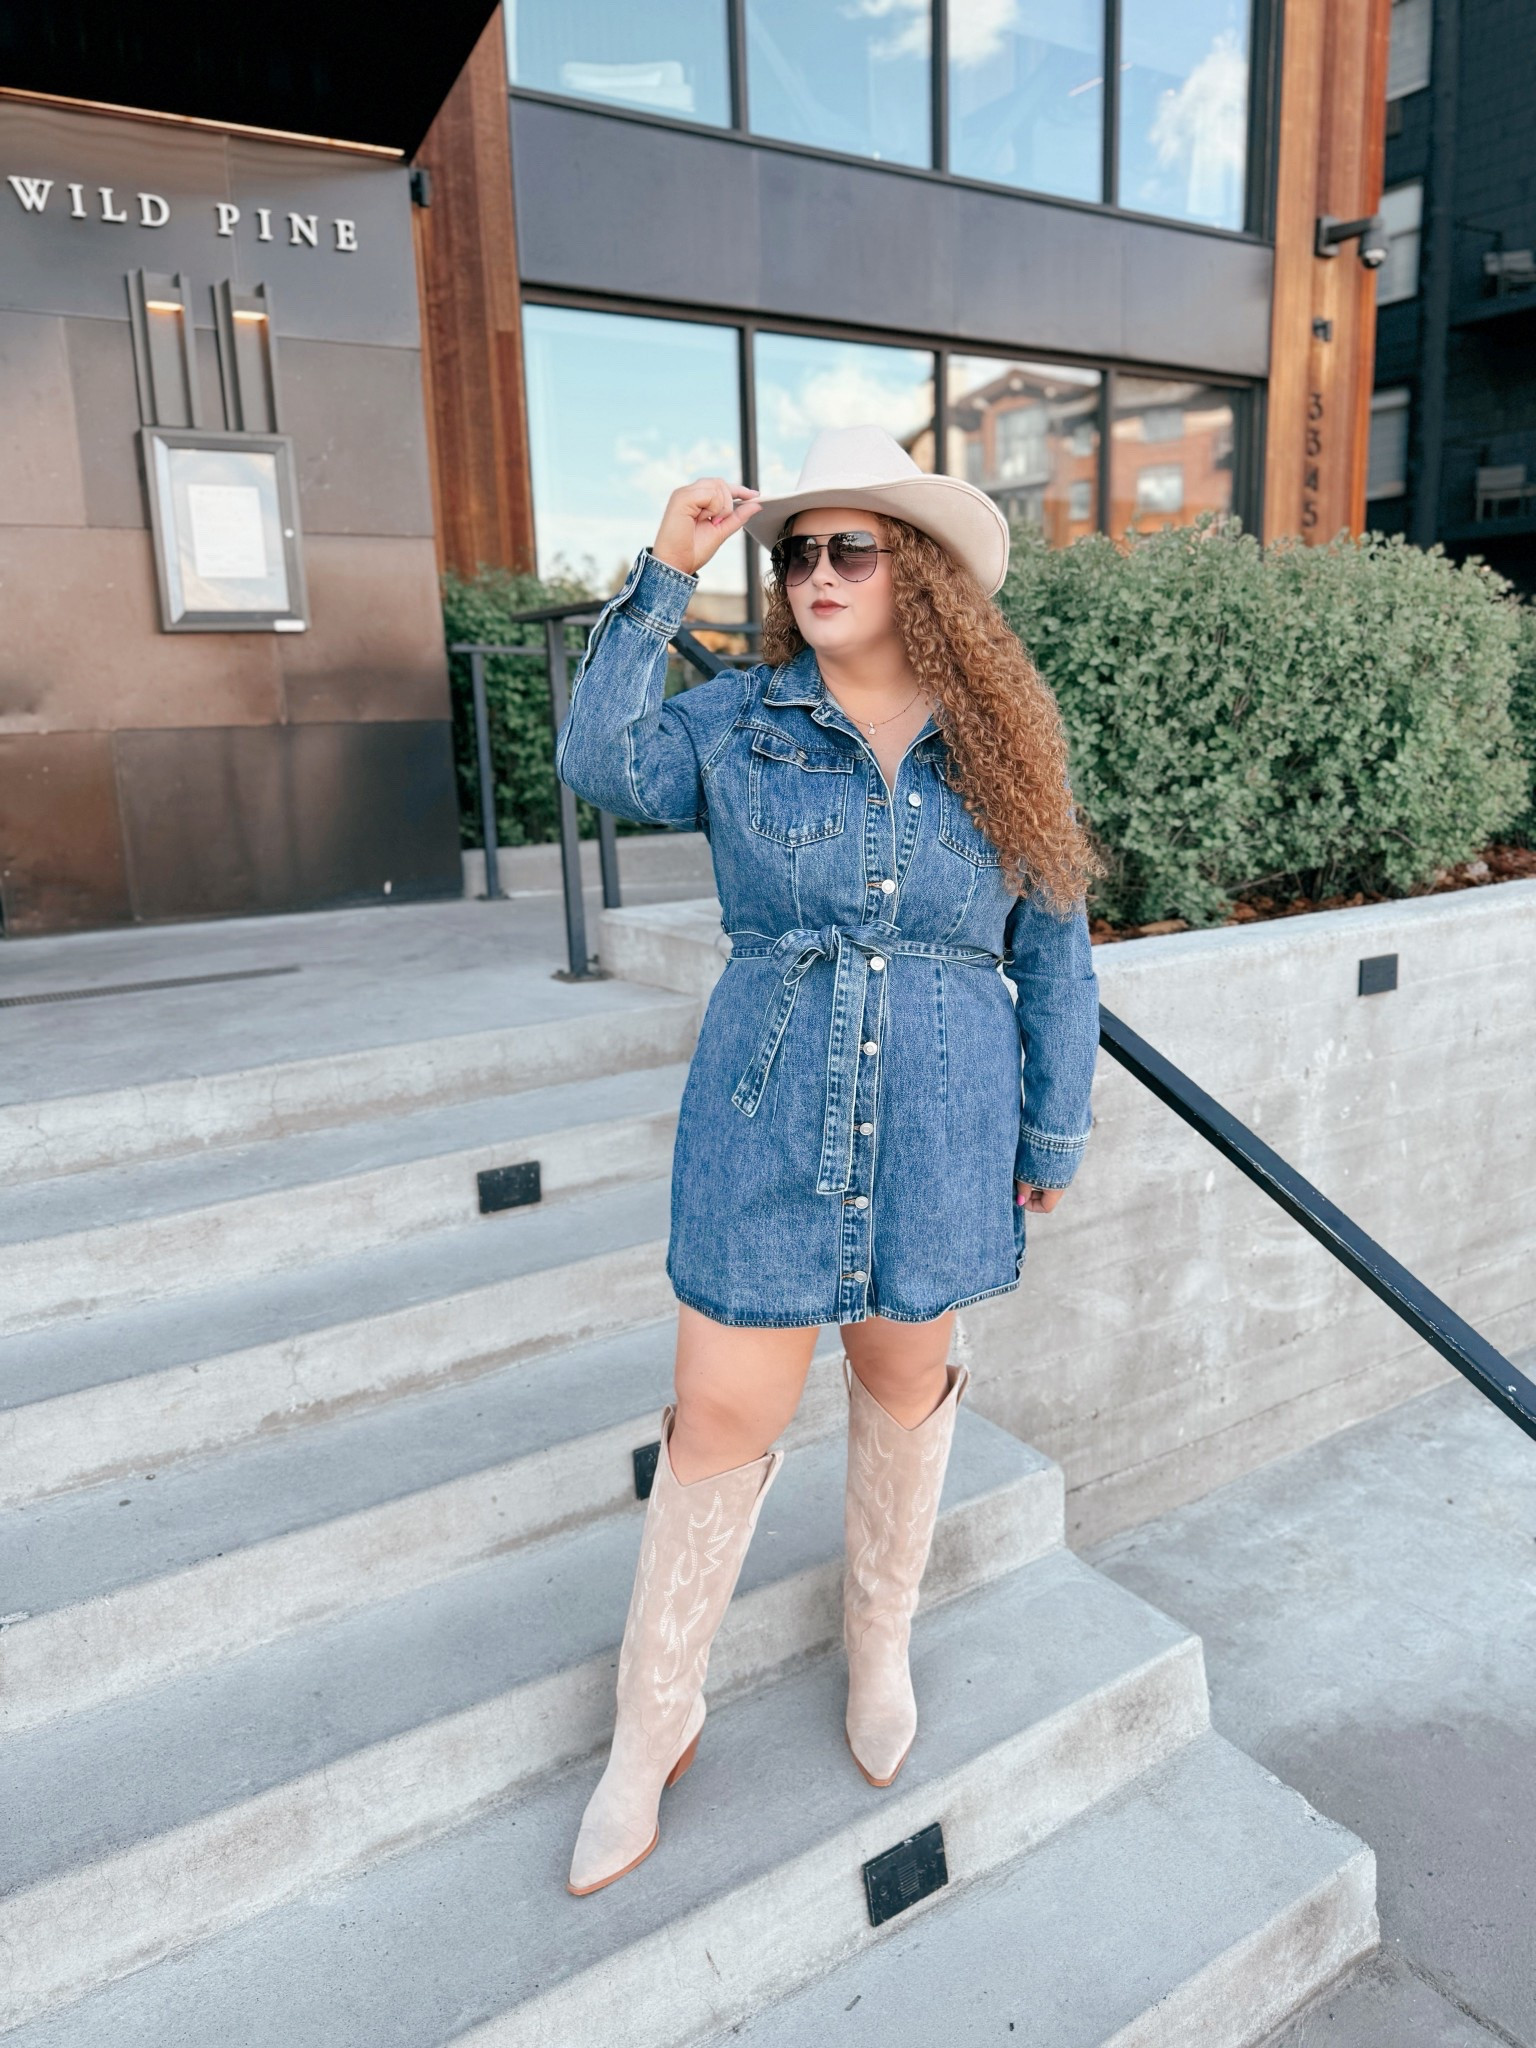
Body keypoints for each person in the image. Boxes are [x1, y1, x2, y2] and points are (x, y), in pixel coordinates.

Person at [555, 423, 1103, 1897]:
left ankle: (879, 1640)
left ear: (915, 569)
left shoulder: (1002, 738)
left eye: (846, 546)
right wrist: (666, 572)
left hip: (939, 1109)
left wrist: (1054, 1125)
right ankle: (652, 1723)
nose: (811, 572)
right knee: (720, 1409)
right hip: (766, 1101)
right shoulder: (740, 723)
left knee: (902, 1377)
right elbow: (600, 756)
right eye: (795, 551)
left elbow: (1055, 946)